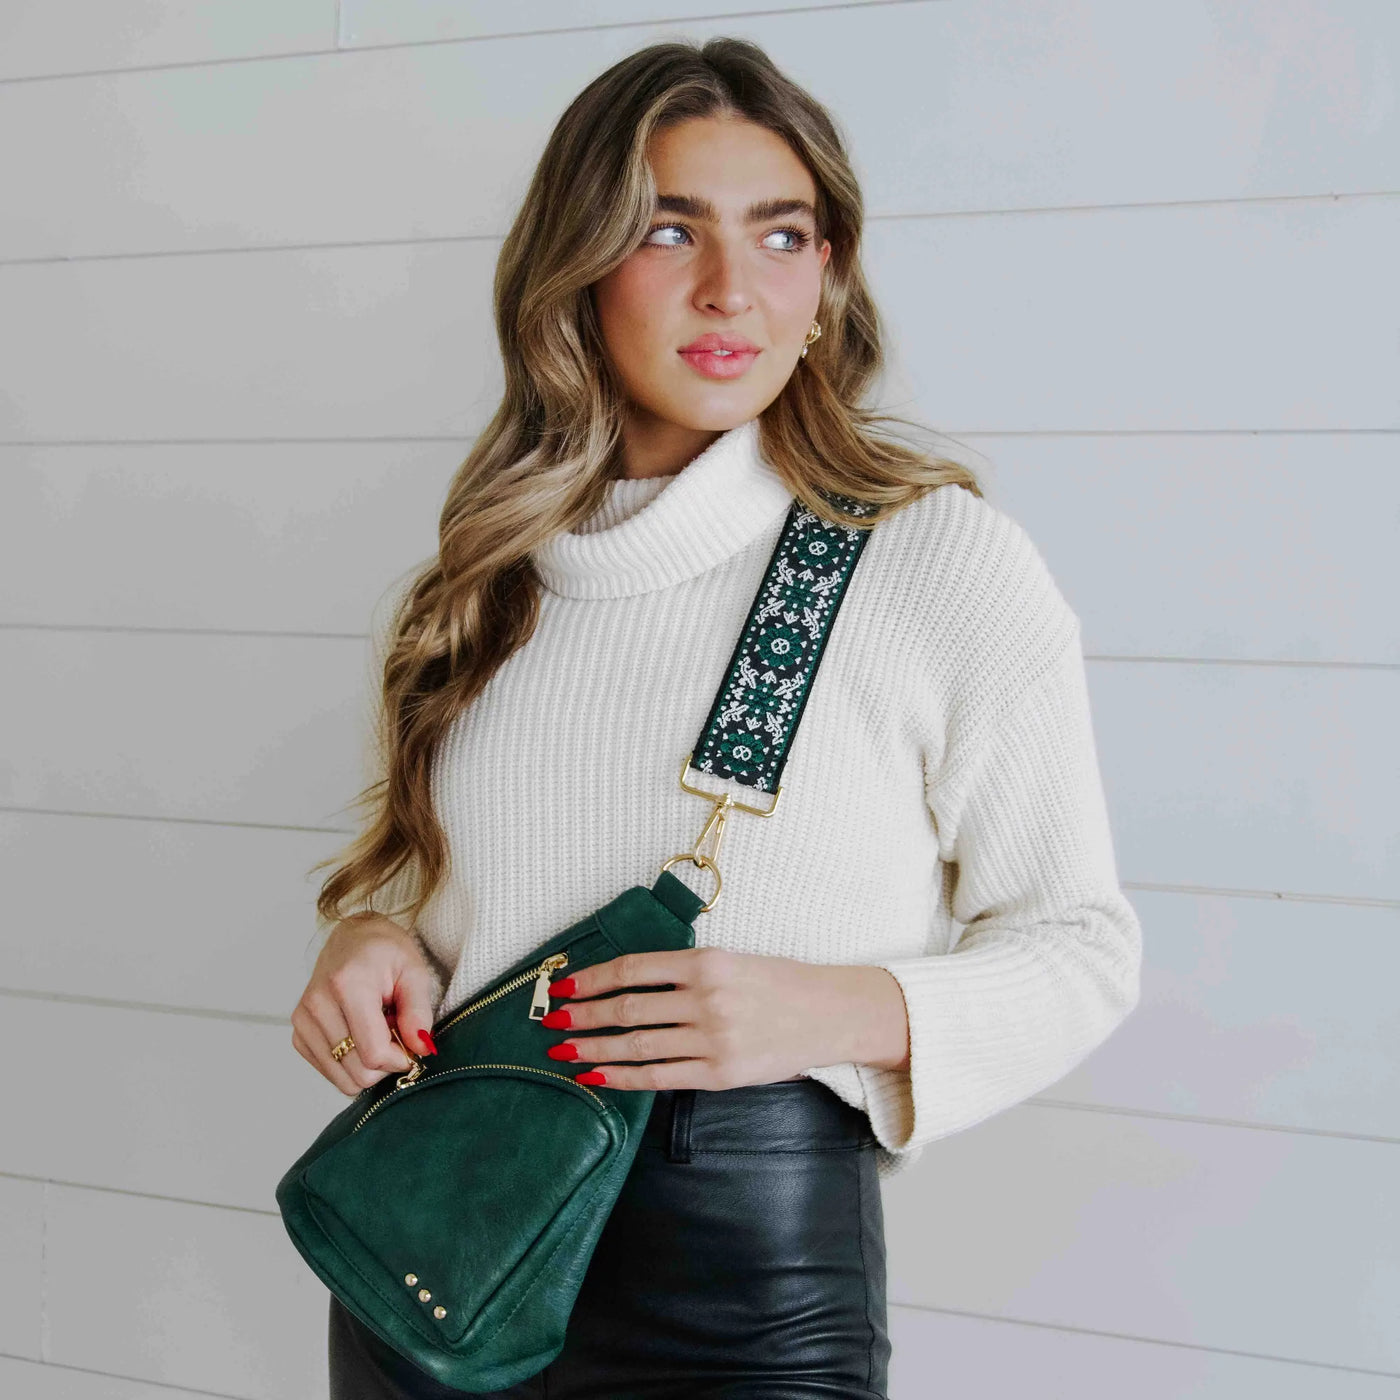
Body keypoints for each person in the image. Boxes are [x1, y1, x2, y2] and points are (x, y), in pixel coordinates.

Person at [291, 36, 1143, 1400]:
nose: (730, 288)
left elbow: (1083, 949)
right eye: (668, 229)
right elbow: (442, 891)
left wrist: (838, 1009)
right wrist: (374, 934)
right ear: (575, 268)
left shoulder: (925, 562)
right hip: (443, 1247)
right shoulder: (483, 582)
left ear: (828, 278)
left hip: (738, 1278)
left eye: (781, 234)